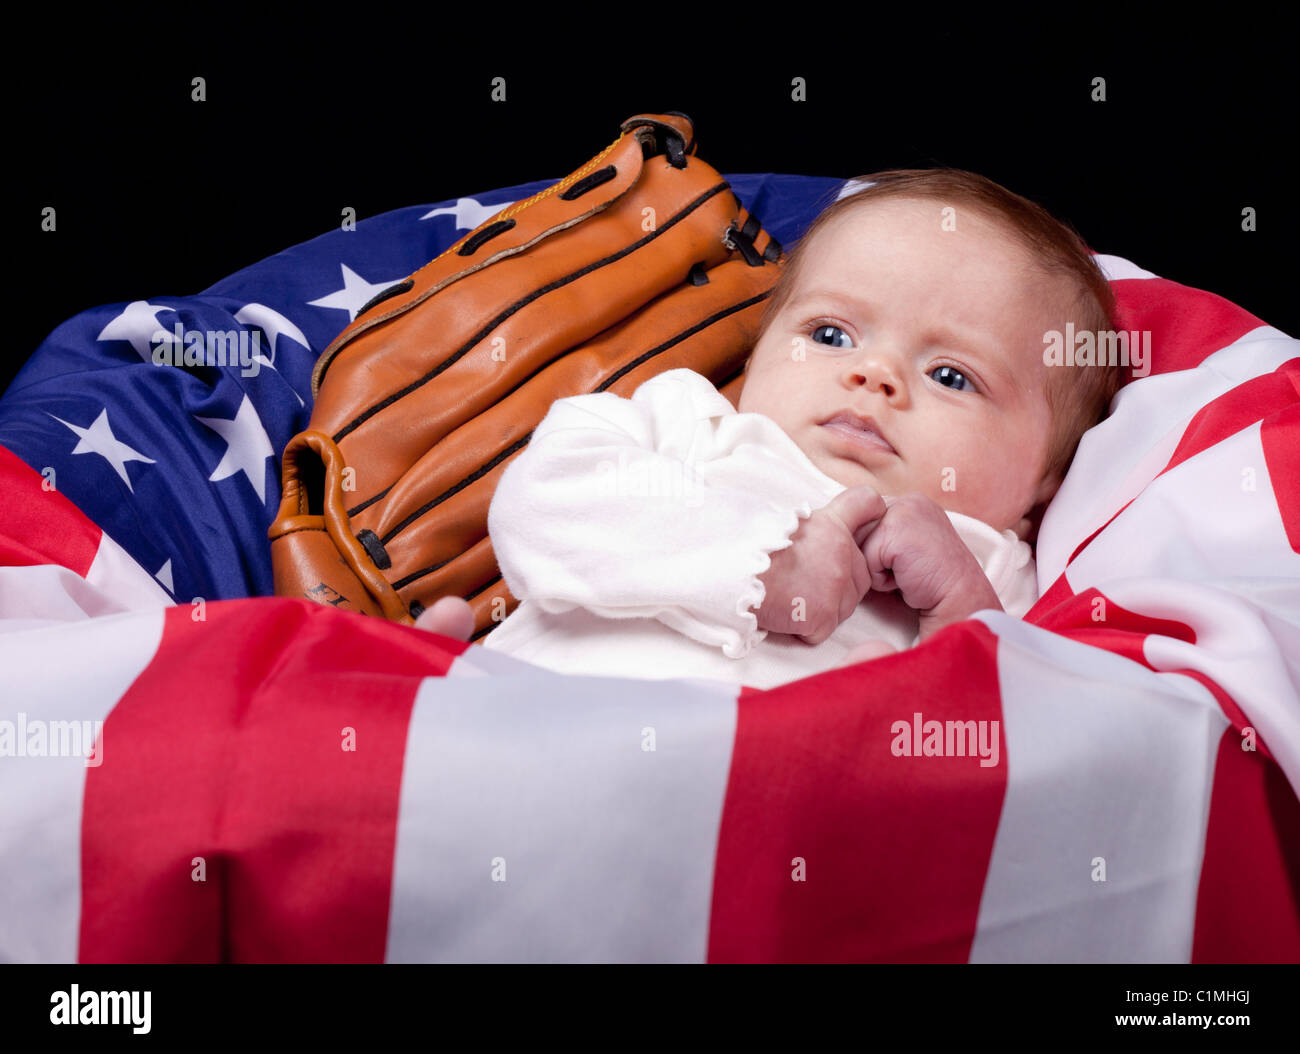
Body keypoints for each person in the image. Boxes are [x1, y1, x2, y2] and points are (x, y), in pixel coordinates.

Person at [418, 169, 1122, 688]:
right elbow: (543, 500)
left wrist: (961, 613)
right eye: (829, 333)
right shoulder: (686, 424)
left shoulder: (990, 571)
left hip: (750, 831)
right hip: (518, 732)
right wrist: (765, 564)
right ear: (756, 358)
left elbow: (1023, 746)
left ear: (1043, 482)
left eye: (951, 377)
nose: (875, 376)